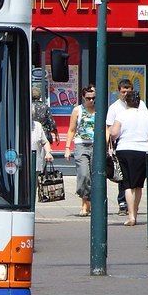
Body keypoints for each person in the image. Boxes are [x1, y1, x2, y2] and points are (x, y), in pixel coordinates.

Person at [109, 90, 148, 227]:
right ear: (138, 102)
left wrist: (112, 139)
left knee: (127, 184)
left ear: (126, 102)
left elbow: (114, 133)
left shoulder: (122, 115)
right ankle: (135, 212)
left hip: (125, 150)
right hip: (143, 151)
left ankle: (131, 215)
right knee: (138, 184)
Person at [106, 78, 147, 216]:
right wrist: (109, 147)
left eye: (127, 92)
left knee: (136, 180)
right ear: (119, 92)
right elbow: (109, 129)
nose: (125, 94)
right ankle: (123, 203)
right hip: (121, 144)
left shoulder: (141, 105)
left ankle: (133, 206)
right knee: (123, 176)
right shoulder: (114, 108)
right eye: (123, 92)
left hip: (139, 144)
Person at [64, 84, 96, 217]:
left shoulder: (100, 109)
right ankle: (85, 202)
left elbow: (106, 129)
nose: (91, 101)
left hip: (96, 146)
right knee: (83, 176)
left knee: (95, 176)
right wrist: (67, 148)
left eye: (93, 98)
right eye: (88, 98)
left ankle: (91, 203)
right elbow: (71, 129)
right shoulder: (78, 110)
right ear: (83, 97)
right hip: (81, 145)